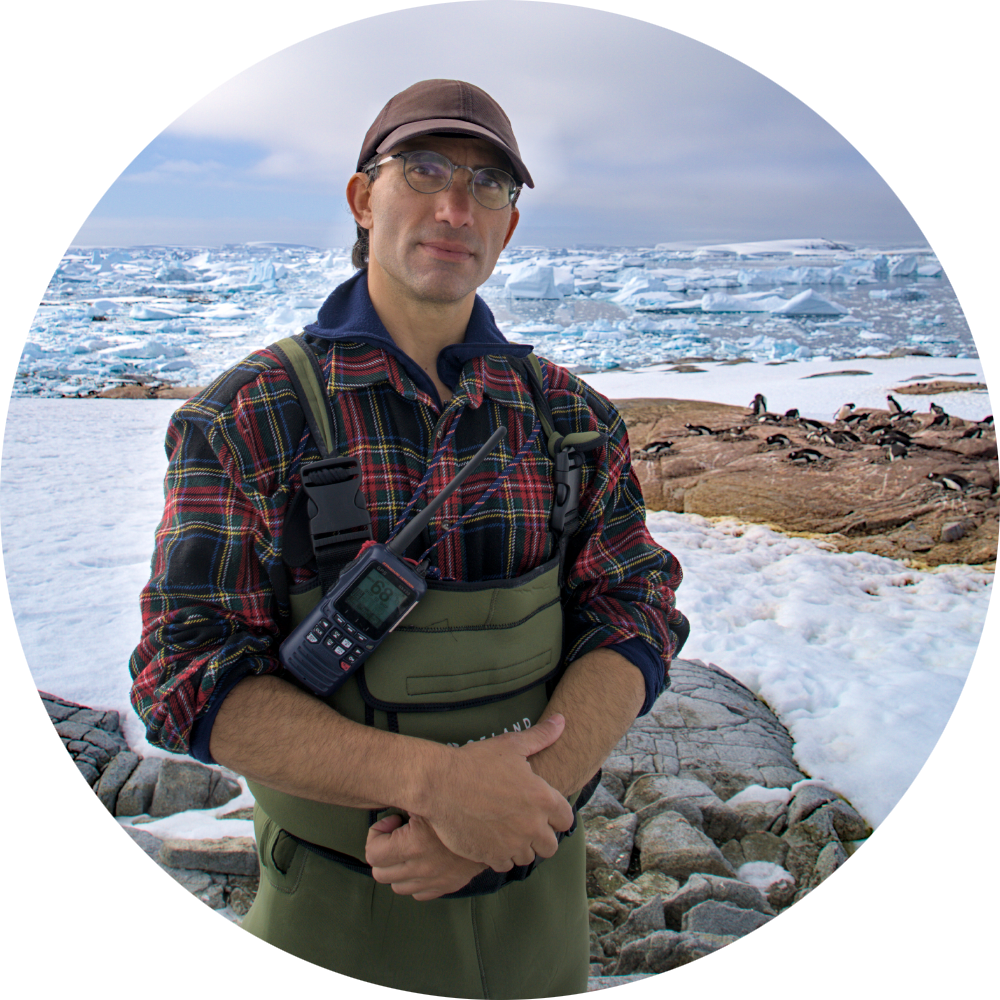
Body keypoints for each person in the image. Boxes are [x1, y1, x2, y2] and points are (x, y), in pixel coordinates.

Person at [129, 78, 686, 1000]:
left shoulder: (572, 420)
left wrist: (510, 805)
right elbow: (182, 677)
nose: (455, 205)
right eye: (422, 169)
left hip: (539, 920)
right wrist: (434, 788)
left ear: (508, 228)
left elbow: (637, 608)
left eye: (490, 184)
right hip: (338, 936)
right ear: (362, 197)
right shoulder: (245, 421)